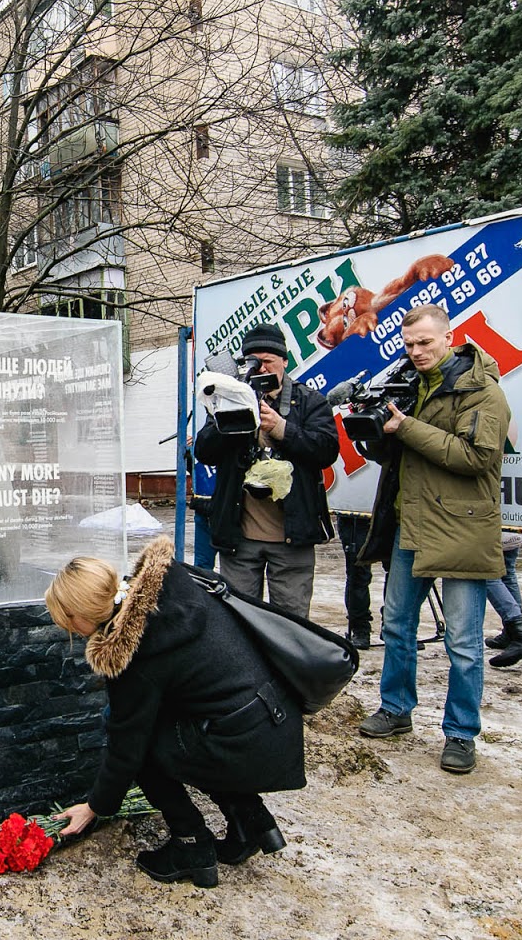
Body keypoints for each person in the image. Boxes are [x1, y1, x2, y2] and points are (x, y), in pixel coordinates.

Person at [47, 534, 304, 888]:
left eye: (68, 623)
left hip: (244, 744)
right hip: (271, 718)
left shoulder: (135, 653)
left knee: (144, 748)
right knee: (183, 727)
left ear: (81, 616)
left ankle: (190, 844)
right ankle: (250, 821)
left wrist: (93, 808)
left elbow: (126, 751)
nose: (69, 631)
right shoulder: (173, 584)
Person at [353, 304, 509, 776]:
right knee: (397, 625)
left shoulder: (481, 389)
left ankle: (461, 733)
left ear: (449, 337)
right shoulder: (408, 385)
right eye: (409, 344)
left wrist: (406, 426)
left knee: (463, 642)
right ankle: (396, 709)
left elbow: (475, 457)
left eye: (425, 342)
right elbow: (397, 458)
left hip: (463, 527)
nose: (416, 351)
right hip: (412, 523)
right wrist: (373, 430)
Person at [194, 321, 338, 618]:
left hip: (291, 536)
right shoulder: (230, 398)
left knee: (292, 622)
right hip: (240, 537)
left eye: (267, 361)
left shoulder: (310, 401)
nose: (259, 369)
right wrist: (231, 414)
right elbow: (204, 452)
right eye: (253, 361)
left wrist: (282, 428)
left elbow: (326, 450)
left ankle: (287, 668)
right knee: (241, 620)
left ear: (285, 361)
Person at [485, 530, 522, 667]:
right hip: (515, 526)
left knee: (485, 574)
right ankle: (511, 632)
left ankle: (520, 633)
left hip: (489, 529)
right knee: (507, 573)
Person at [336, 513, 376, 648]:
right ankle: (360, 629)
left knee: (395, 571)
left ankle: (396, 628)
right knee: (358, 573)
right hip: (354, 515)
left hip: (389, 512)